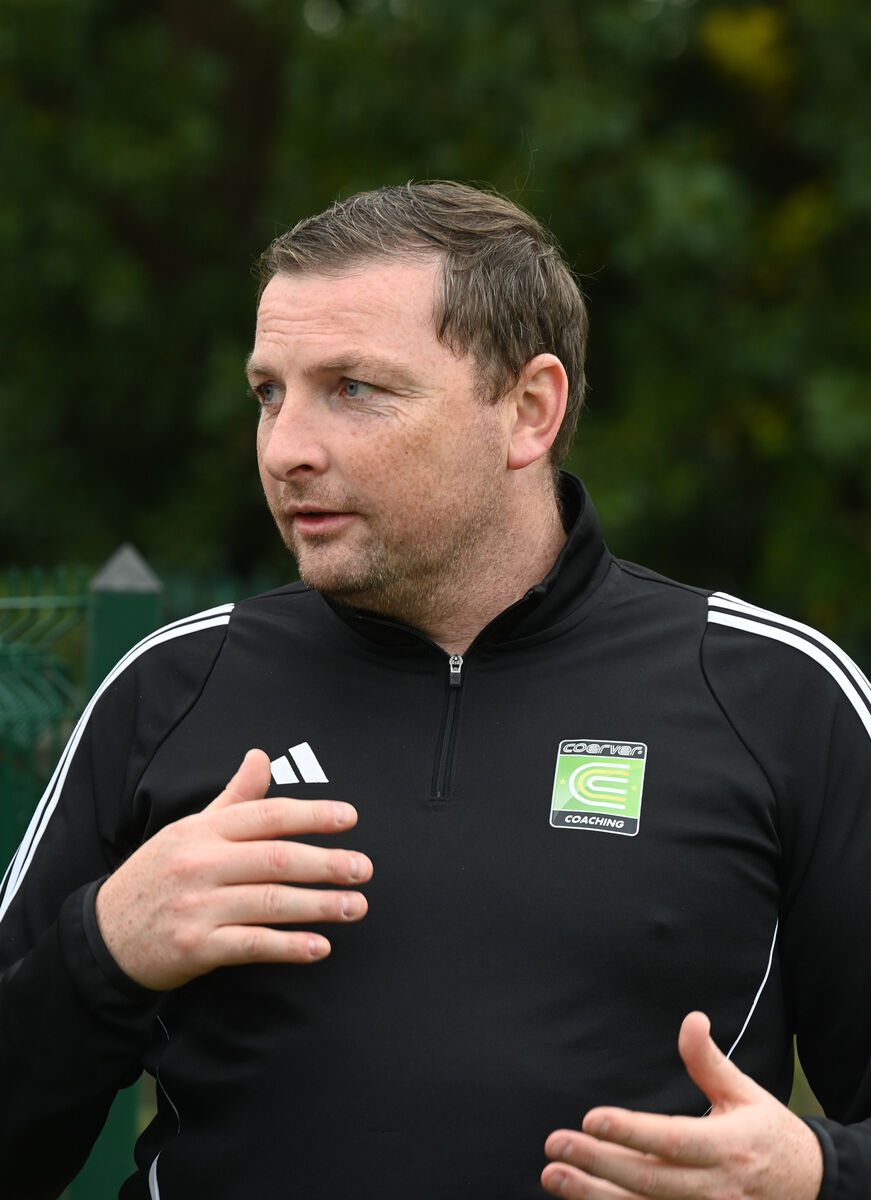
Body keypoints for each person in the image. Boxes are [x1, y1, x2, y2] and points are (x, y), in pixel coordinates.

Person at [1, 181, 869, 1200]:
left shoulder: (774, 696)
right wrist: (104, 948)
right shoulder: (171, 690)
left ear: (529, 410)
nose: (287, 449)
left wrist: (818, 1175)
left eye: (354, 388)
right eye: (268, 391)